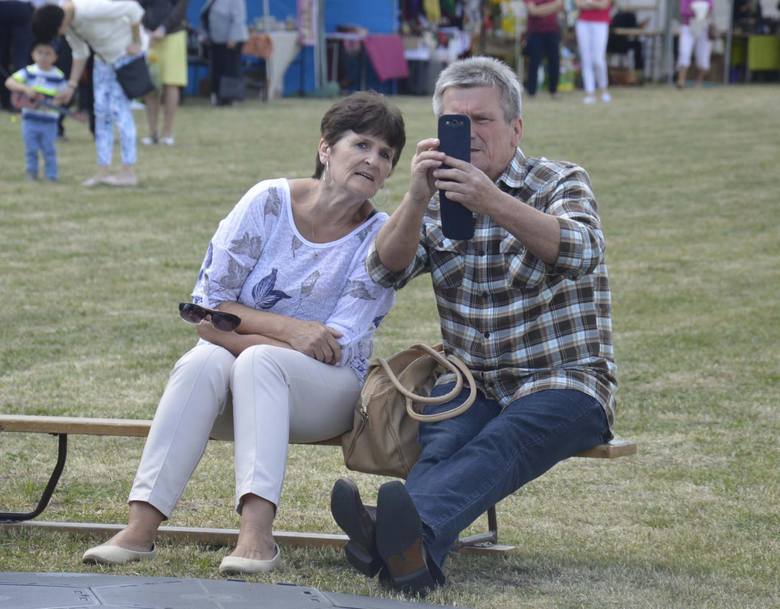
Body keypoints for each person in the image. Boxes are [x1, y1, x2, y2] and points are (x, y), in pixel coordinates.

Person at [80, 91, 405, 576]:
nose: (372, 161)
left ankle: (257, 537)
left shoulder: (380, 237)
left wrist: (238, 334)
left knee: (253, 361)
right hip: (242, 384)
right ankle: (140, 528)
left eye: (385, 155)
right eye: (361, 145)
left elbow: (334, 347)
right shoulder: (267, 201)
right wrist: (288, 329)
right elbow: (205, 308)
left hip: (328, 393)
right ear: (325, 149)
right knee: (200, 362)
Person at [330, 56, 617, 596]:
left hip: (567, 380)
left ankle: (386, 532)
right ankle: (412, 562)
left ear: (516, 127)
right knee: (443, 446)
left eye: (481, 120)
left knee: (499, 443)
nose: (470, 133)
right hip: (473, 381)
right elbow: (383, 270)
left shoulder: (558, 180)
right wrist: (417, 196)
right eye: (454, 122)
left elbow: (582, 249)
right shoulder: (434, 198)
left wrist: (492, 201)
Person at [32, 0, 144, 187]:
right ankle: (103, 170)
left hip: (124, 56)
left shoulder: (88, 8)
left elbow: (133, 9)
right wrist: (71, 86)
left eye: (55, 33)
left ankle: (128, 171)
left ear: (58, 24)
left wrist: (136, 42)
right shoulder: (67, 22)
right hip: (102, 60)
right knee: (101, 115)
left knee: (120, 112)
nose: (58, 36)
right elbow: (80, 52)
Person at [5, 38, 67, 181]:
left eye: (48, 53)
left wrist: (56, 100)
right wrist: (25, 89)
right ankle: (31, 173)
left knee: (49, 149)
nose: (44, 57)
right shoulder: (29, 72)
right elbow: (9, 82)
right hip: (29, 119)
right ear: (33, 54)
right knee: (31, 149)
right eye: (40, 52)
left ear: (55, 57)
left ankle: (51, 175)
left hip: (49, 120)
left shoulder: (58, 76)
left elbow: (64, 96)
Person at [138, 0, 188, 145]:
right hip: (149, 37)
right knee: (151, 85)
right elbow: (138, 5)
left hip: (173, 34)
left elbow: (180, 8)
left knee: (171, 83)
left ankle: (167, 133)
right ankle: (152, 133)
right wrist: (143, 29)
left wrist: (164, 28)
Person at [201, 0, 247, 106]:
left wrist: (233, 37)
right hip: (217, 40)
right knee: (218, 68)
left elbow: (239, 18)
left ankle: (231, 97)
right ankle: (218, 95)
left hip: (231, 40)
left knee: (231, 68)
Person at [523, 0, 563, 99]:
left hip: (552, 30)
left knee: (554, 61)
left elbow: (559, 4)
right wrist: (551, 7)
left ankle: (554, 90)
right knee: (534, 61)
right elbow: (533, 11)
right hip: (535, 31)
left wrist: (539, 10)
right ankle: (531, 91)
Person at [575, 0, 612, 103]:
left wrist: (588, 3)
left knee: (598, 59)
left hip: (601, 22)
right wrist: (594, 4)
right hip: (583, 22)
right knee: (586, 59)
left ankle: (603, 89)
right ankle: (590, 92)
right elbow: (578, 3)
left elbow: (604, 5)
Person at [0, 0, 34, 112]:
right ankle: (19, 101)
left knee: (4, 59)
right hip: (22, 7)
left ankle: (6, 100)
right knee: (21, 59)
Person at [675, 0, 712, 88]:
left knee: (703, 54)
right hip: (688, 25)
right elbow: (683, 11)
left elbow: (711, 8)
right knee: (684, 51)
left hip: (703, 25)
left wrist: (702, 13)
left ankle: (699, 82)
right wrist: (695, 12)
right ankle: (681, 80)